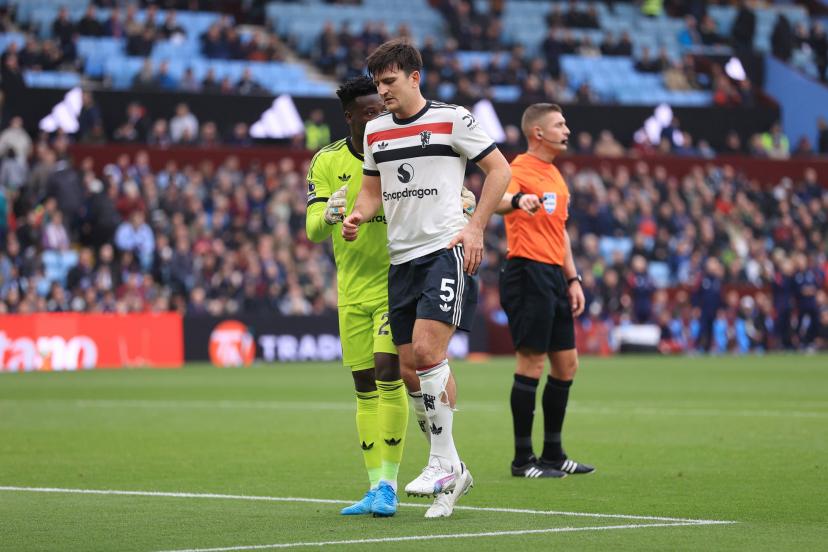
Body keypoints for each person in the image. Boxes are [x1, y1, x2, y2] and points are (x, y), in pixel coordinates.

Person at [343, 39, 511, 518]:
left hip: (445, 249)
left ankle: (440, 462)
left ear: (415, 77)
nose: (383, 91)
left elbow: (499, 170)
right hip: (401, 261)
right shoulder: (375, 132)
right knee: (409, 367)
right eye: (378, 83)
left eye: (390, 82)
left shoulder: (453, 118)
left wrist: (475, 225)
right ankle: (453, 471)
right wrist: (357, 215)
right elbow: (372, 192)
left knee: (427, 351)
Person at [305, 76, 410, 518]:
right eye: (369, 112)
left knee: (389, 372)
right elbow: (311, 230)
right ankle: (372, 486)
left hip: (396, 281)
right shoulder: (326, 161)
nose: (378, 118)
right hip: (352, 290)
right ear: (350, 116)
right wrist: (329, 212)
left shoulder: (400, 150)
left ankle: (390, 483)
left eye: (381, 111)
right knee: (363, 384)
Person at [495, 103, 595, 478]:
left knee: (567, 364)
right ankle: (523, 460)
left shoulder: (554, 175)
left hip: (554, 275)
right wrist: (518, 200)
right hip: (526, 272)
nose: (566, 129)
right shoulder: (517, 169)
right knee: (531, 363)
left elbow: (561, 232)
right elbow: (499, 202)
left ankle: (553, 453)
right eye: (559, 124)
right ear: (538, 132)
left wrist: (573, 279)